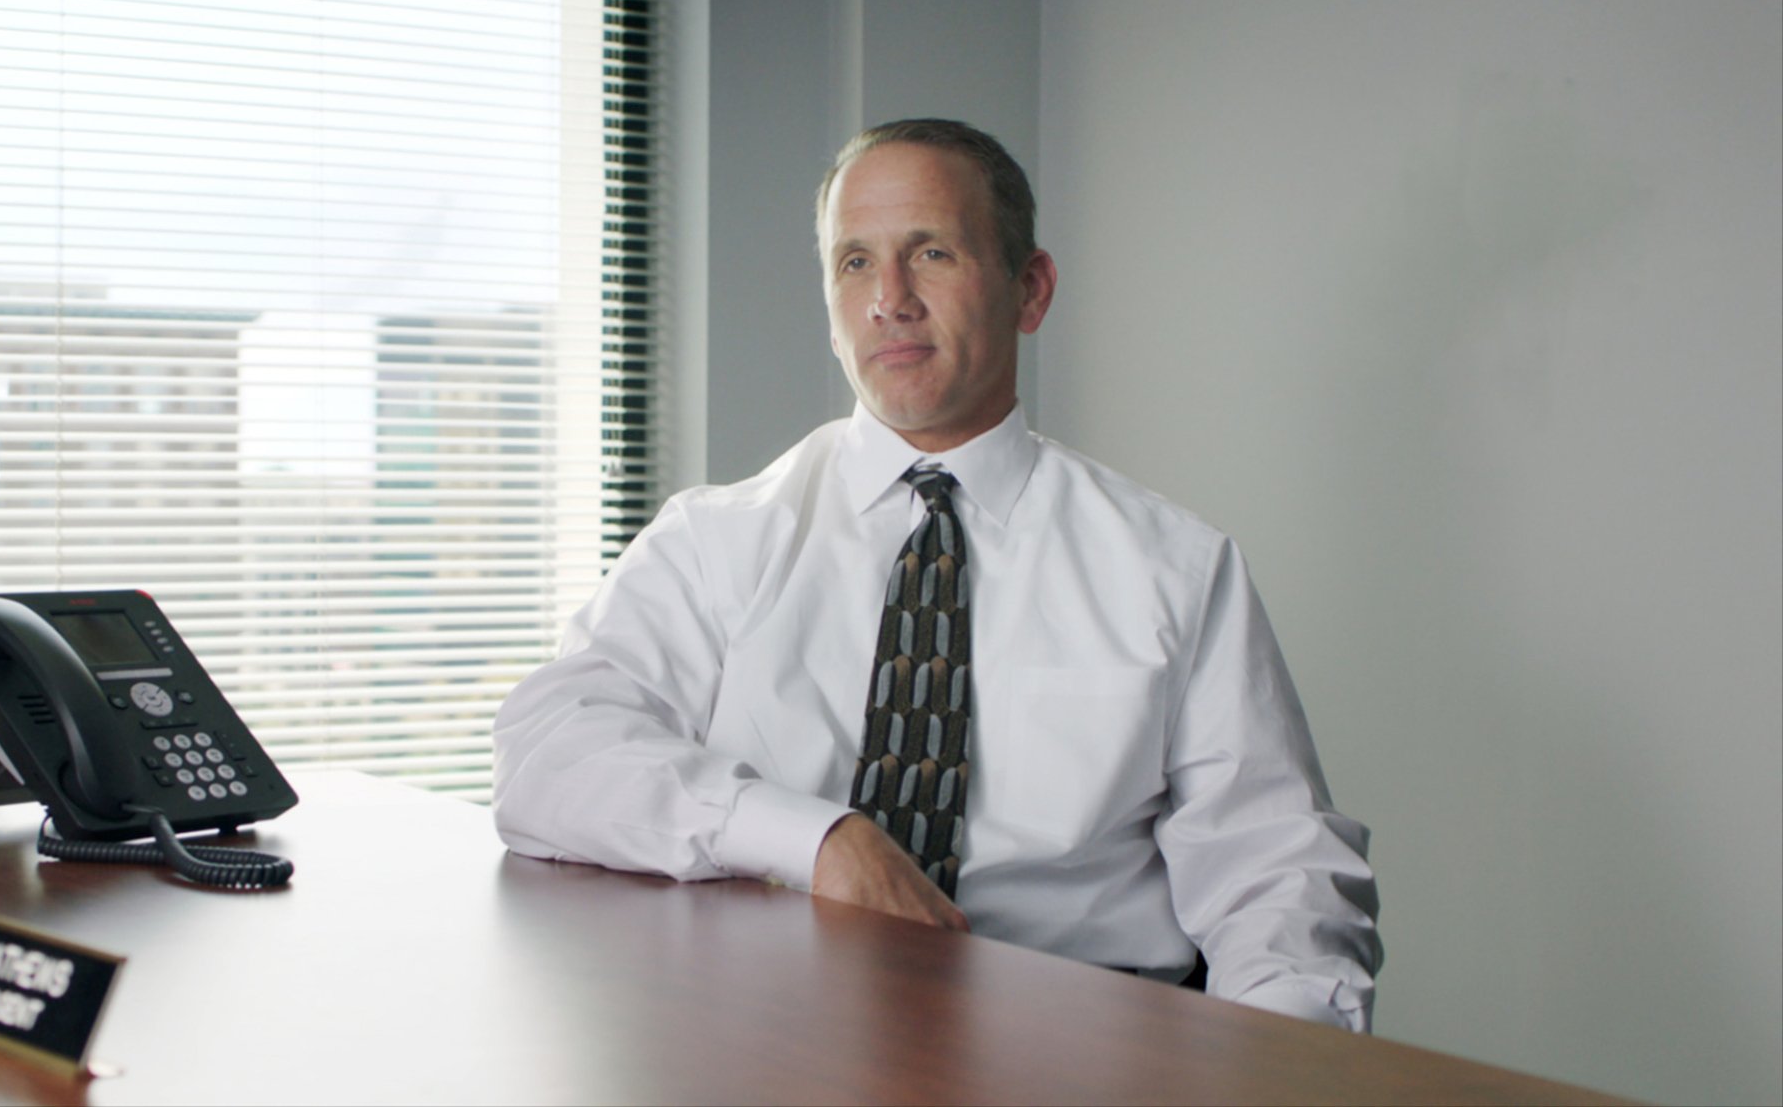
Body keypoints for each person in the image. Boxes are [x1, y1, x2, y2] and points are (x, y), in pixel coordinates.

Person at [492, 118, 1382, 1030]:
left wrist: (1283, 1070)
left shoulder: (1175, 570)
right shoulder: (718, 540)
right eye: (854, 263)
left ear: (1029, 290)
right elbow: (547, 753)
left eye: (933, 253)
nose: (890, 299)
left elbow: (1280, 881)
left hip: (1068, 1049)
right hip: (771, 1040)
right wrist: (820, 840)